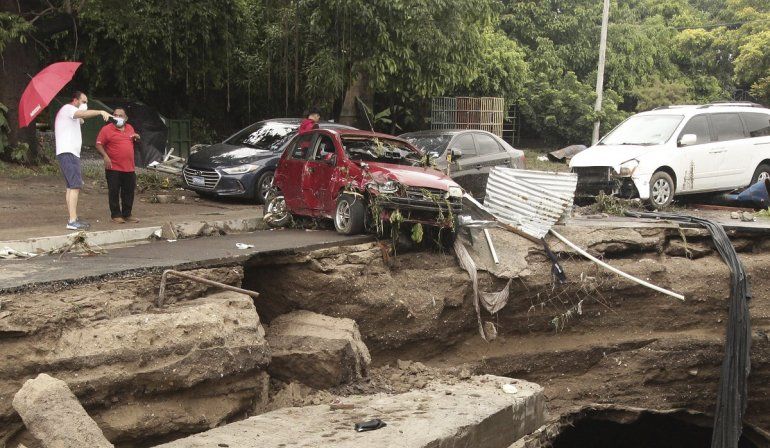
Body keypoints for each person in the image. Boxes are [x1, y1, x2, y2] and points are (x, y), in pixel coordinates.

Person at [55, 91, 111, 230]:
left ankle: (72, 217)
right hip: (68, 153)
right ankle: (72, 220)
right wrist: (100, 111)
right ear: (75, 100)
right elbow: (83, 114)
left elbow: (79, 118)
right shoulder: (69, 109)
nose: (86, 105)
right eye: (84, 102)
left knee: (71, 186)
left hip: (68, 153)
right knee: (75, 186)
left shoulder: (68, 112)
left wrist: (78, 120)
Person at [95, 108, 141, 223]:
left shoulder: (130, 128)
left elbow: (132, 142)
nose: (117, 117)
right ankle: (116, 215)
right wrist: (105, 156)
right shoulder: (106, 129)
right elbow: (99, 144)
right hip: (114, 166)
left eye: (120, 115)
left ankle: (127, 214)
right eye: (115, 115)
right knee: (114, 191)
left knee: (129, 191)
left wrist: (137, 138)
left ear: (125, 118)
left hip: (129, 167)